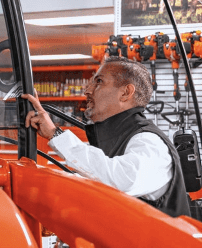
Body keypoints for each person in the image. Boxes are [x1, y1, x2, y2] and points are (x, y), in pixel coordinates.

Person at [23, 56, 190, 218]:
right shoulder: (117, 137)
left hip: (159, 246)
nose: (87, 90)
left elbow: (121, 180)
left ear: (125, 92)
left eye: (99, 82)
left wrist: (55, 134)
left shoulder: (149, 141)